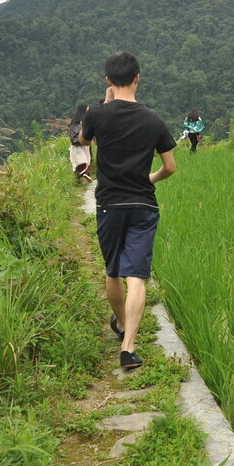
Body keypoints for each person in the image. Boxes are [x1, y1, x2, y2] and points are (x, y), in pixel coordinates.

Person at [79, 52, 176, 370]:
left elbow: (82, 139)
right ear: (138, 78)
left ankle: (121, 324)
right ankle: (128, 346)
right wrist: (149, 177)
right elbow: (170, 167)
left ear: (108, 80)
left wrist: (103, 104)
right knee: (137, 276)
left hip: (109, 204)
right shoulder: (153, 120)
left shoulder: (97, 115)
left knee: (113, 271)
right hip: (143, 205)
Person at [68, 103, 92, 181]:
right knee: (87, 157)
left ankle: (79, 177)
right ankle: (86, 173)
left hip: (75, 142)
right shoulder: (86, 118)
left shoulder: (74, 119)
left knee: (78, 159)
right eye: (87, 109)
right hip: (84, 141)